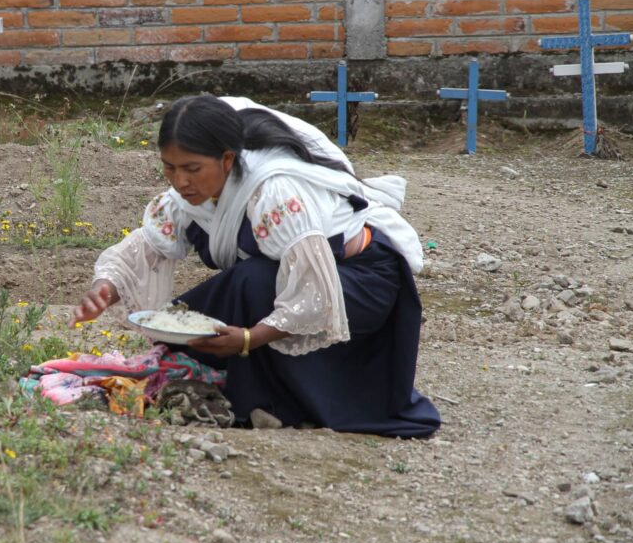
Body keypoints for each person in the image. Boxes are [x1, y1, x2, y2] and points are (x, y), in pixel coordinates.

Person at [72, 94, 440, 438]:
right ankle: (244, 389)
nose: (181, 181)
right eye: (170, 168)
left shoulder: (274, 192)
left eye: (192, 168)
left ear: (228, 160)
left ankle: (279, 401)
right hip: (286, 281)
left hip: (359, 282)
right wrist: (106, 288)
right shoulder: (189, 194)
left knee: (248, 283)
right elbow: (150, 246)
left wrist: (249, 339)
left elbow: (315, 290)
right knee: (192, 316)